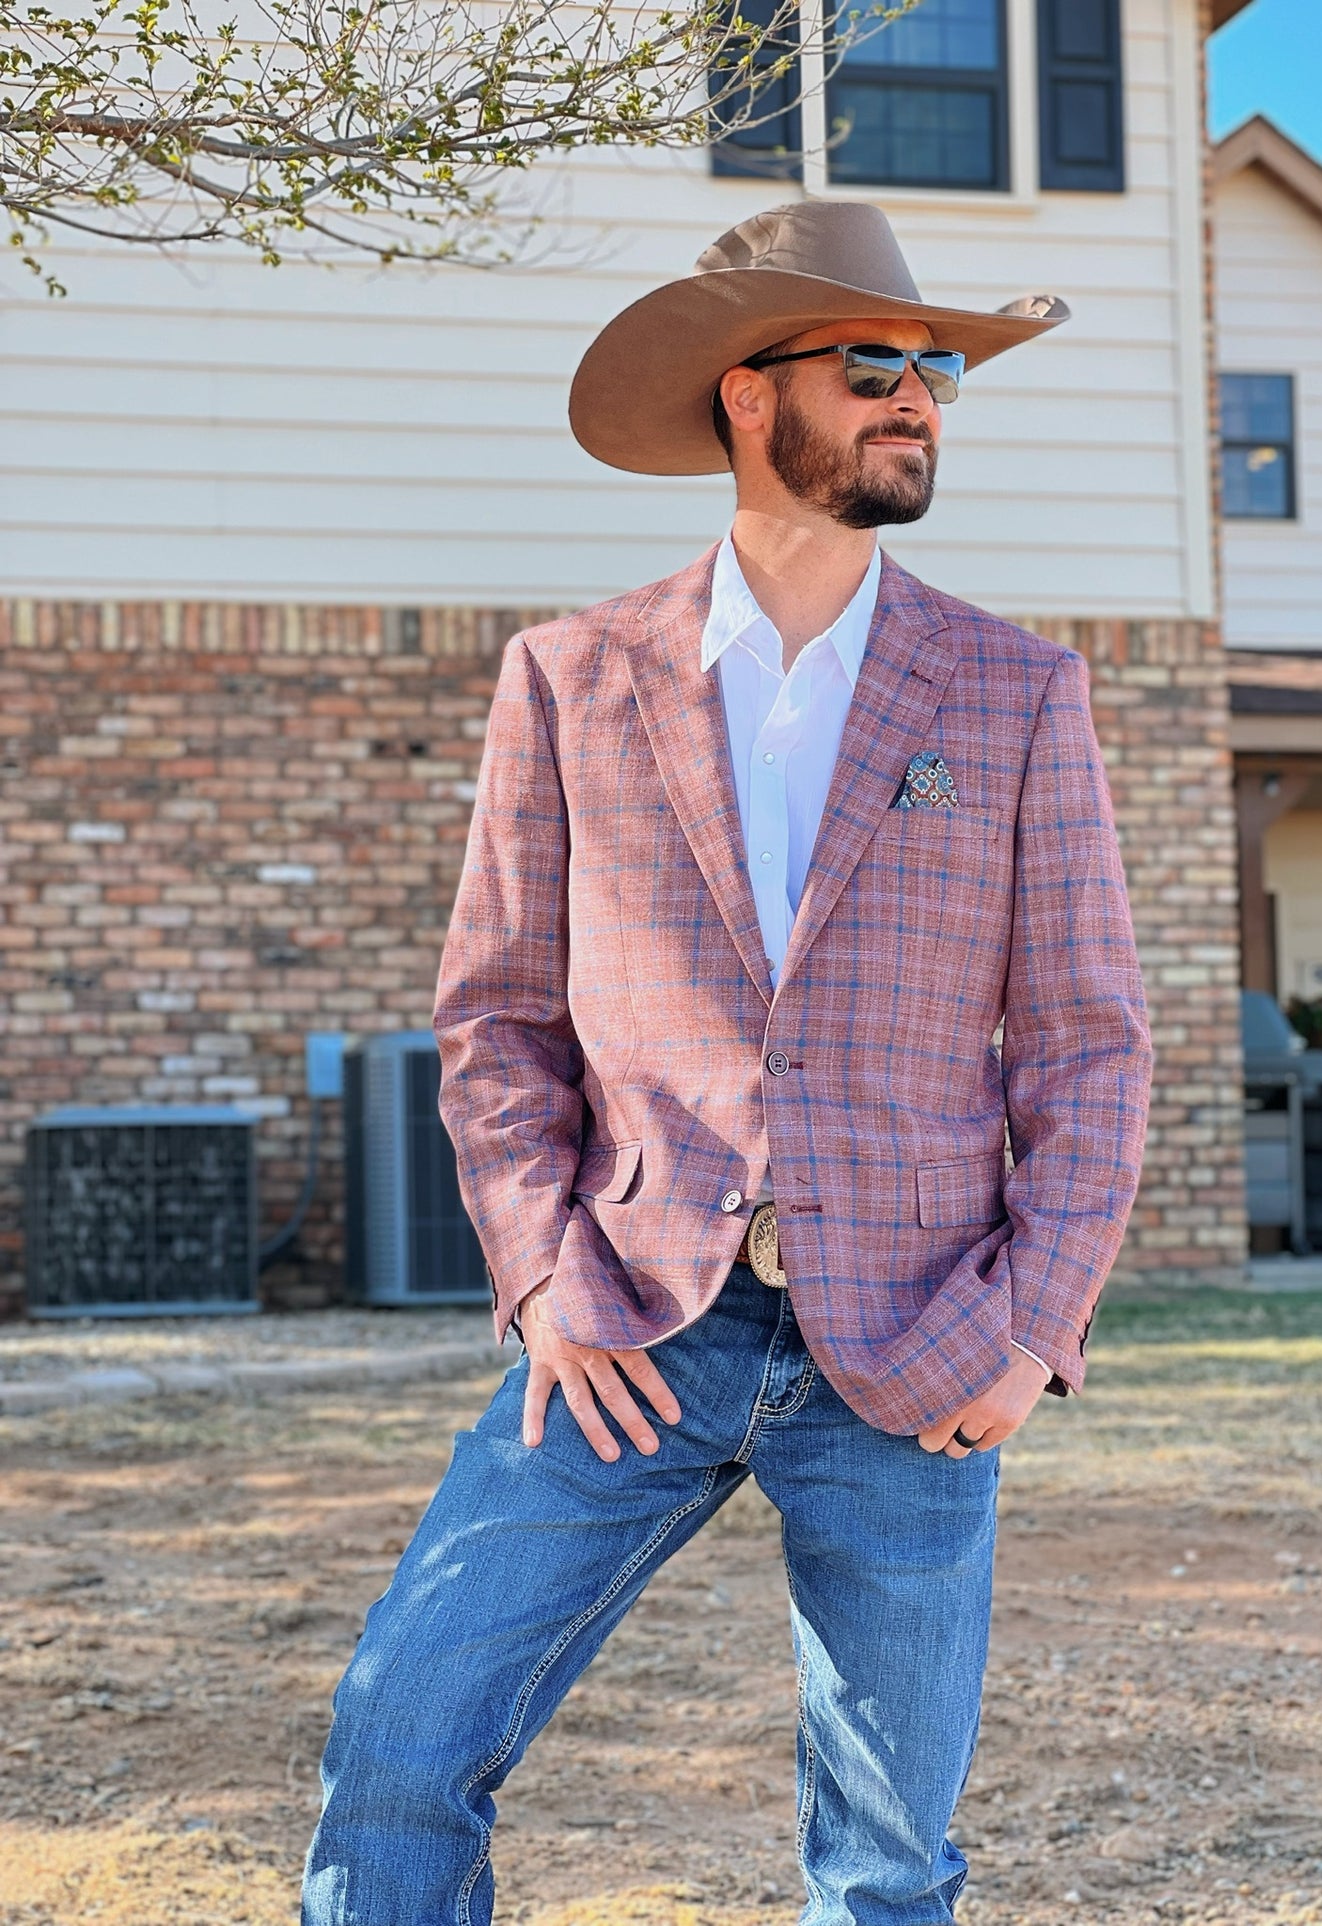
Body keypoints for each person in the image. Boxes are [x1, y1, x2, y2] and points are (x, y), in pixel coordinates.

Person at [301, 199, 1153, 1926]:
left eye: (935, 373)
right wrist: (540, 1277)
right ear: (747, 399)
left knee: (883, 1859)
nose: (917, 398)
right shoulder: (567, 676)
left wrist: (1036, 1317)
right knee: (399, 1736)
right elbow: (498, 1023)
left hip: (917, 1348)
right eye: (876, 367)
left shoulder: (1013, 690)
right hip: (629, 1323)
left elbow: (1087, 1042)